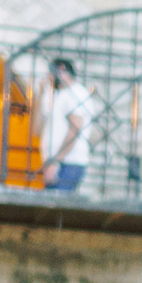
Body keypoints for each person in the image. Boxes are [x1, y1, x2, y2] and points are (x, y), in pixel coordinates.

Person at [38, 58, 95, 191]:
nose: (50, 78)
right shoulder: (58, 95)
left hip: (68, 163)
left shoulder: (76, 93)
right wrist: (40, 94)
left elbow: (74, 129)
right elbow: (37, 129)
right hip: (57, 162)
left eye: (52, 74)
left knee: (57, 205)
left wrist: (55, 161)